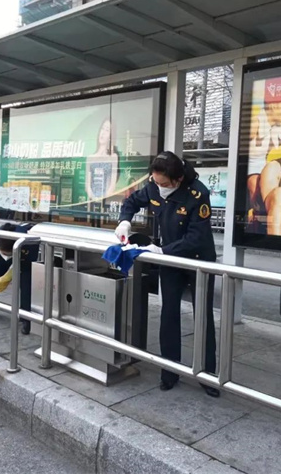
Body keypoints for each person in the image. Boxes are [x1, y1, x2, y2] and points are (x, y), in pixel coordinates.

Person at [115, 152, 220, 397]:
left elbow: (196, 238)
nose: (159, 187)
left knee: (203, 317)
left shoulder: (198, 194)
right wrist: (124, 221)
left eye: (164, 184)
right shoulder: (154, 186)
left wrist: (162, 250)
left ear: (178, 179)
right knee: (168, 314)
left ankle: (207, 375)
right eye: (156, 181)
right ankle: (169, 371)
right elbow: (132, 202)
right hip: (170, 261)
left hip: (198, 261)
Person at [247, 102, 281, 209]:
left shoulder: (278, 128)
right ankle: (254, 212)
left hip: (263, 167)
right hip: (249, 169)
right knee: (254, 182)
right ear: (273, 106)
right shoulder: (255, 123)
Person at [86, 118, 119, 201]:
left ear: (111, 136)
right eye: (102, 128)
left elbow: (112, 185)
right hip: (92, 201)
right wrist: (93, 198)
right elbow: (87, 185)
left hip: (105, 201)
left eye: (107, 130)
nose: (103, 133)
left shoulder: (113, 157)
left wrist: (103, 198)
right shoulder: (90, 158)